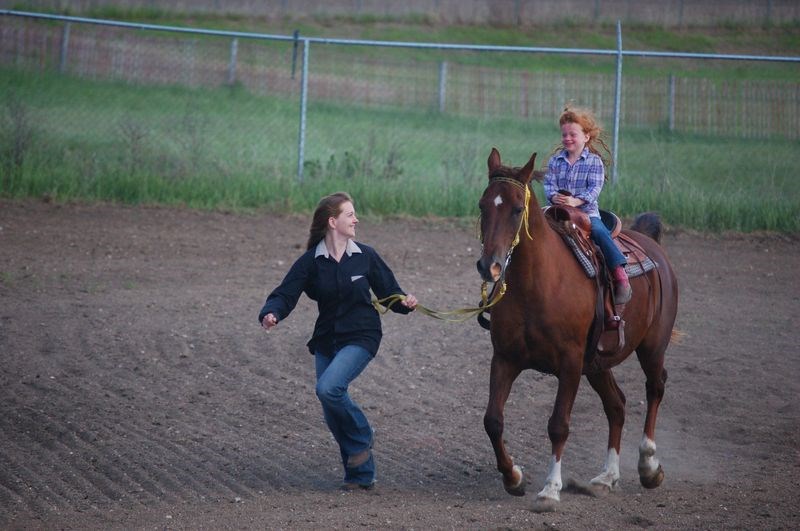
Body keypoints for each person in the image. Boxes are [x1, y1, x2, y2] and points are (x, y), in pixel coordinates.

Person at [258, 191, 418, 491]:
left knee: (329, 388)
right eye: (350, 214)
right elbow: (284, 294)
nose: (356, 219)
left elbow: (390, 292)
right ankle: (361, 475)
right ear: (333, 222)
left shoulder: (365, 256)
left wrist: (404, 302)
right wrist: (271, 313)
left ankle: (362, 435)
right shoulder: (311, 262)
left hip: (362, 335)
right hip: (327, 338)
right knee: (331, 409)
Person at [543, 106, 632, 304]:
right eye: (564, 134)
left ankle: (620, 273)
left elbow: (594, 189)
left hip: (586, 212)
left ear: (586, 136)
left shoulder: (594, 162)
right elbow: (549, 185)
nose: (567, 138)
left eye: (573, 134)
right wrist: (554, 197)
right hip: (557, 211)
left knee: (600, 232)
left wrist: (576, 201)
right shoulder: (555, 161)